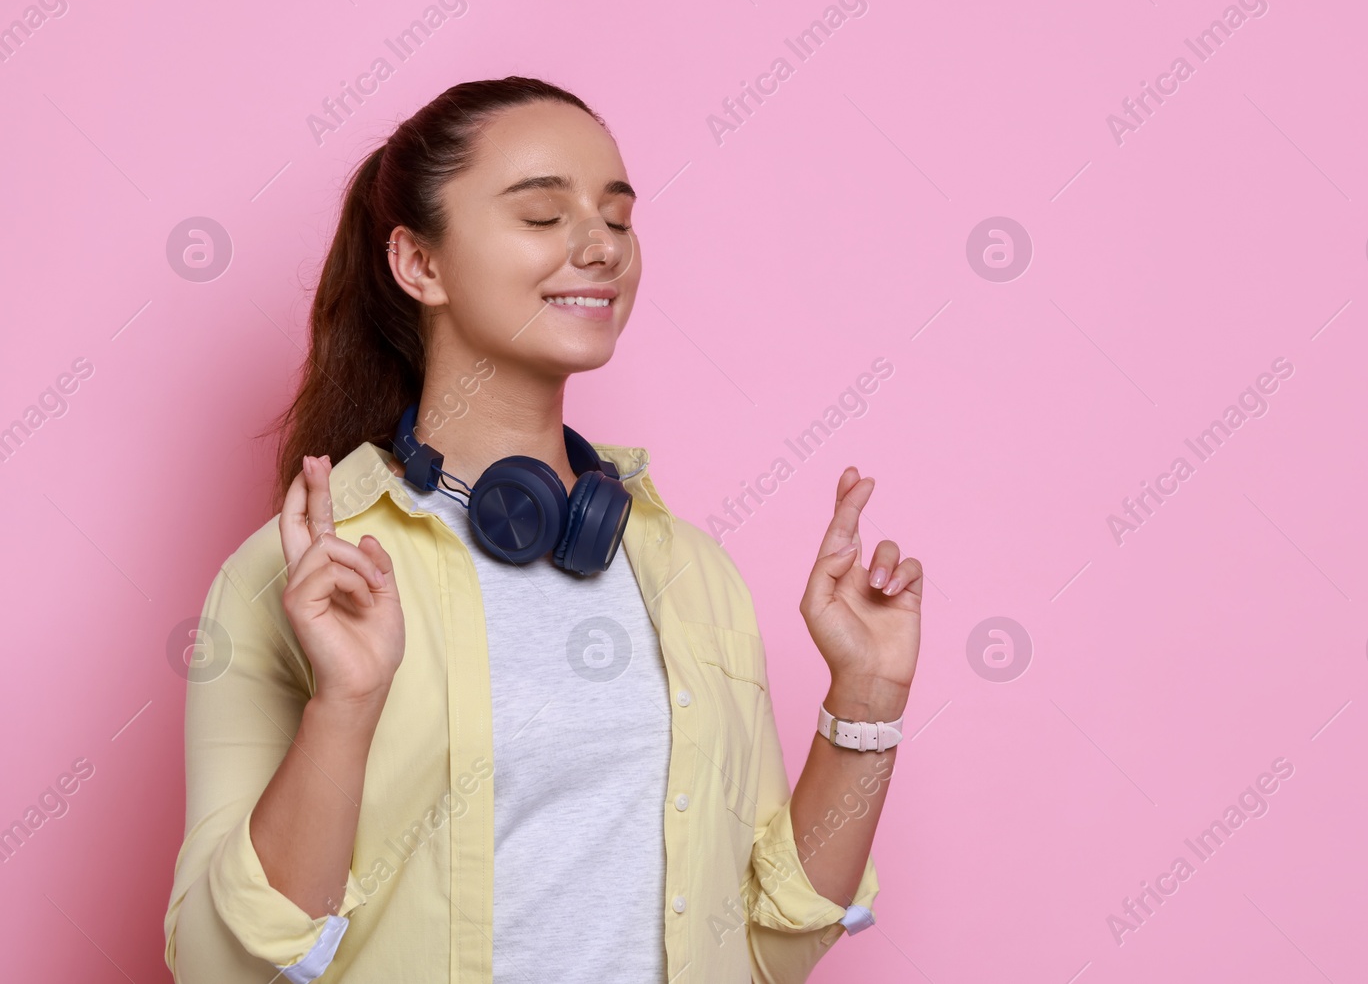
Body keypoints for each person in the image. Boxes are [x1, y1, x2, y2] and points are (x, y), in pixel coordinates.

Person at [162, 76, 923, 983]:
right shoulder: (293, 578)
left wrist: (866, 699)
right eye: (541, 217)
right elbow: (215, 964)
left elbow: (770, 947)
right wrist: (346, 706)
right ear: (420, 264)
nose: (600, 247)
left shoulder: (687, 571)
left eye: (618, 217)